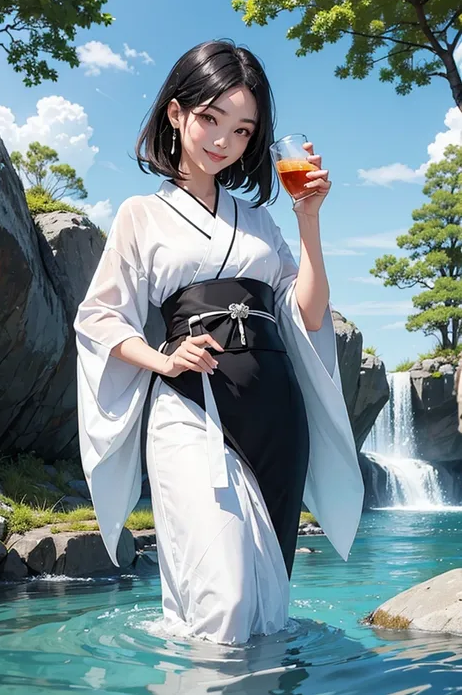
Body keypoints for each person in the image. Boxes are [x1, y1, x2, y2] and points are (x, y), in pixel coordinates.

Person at [73, 39, 364, 645]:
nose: (223, 141)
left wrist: (308, 219)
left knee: (264, 614)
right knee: (224, 599)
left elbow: (307, 314)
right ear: (176, 114)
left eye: (242, 129)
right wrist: (161, 357)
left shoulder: (259, 220)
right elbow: (99, 318)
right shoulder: (139, 214)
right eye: (210, 118)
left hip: (278, 418)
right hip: (190, 409)